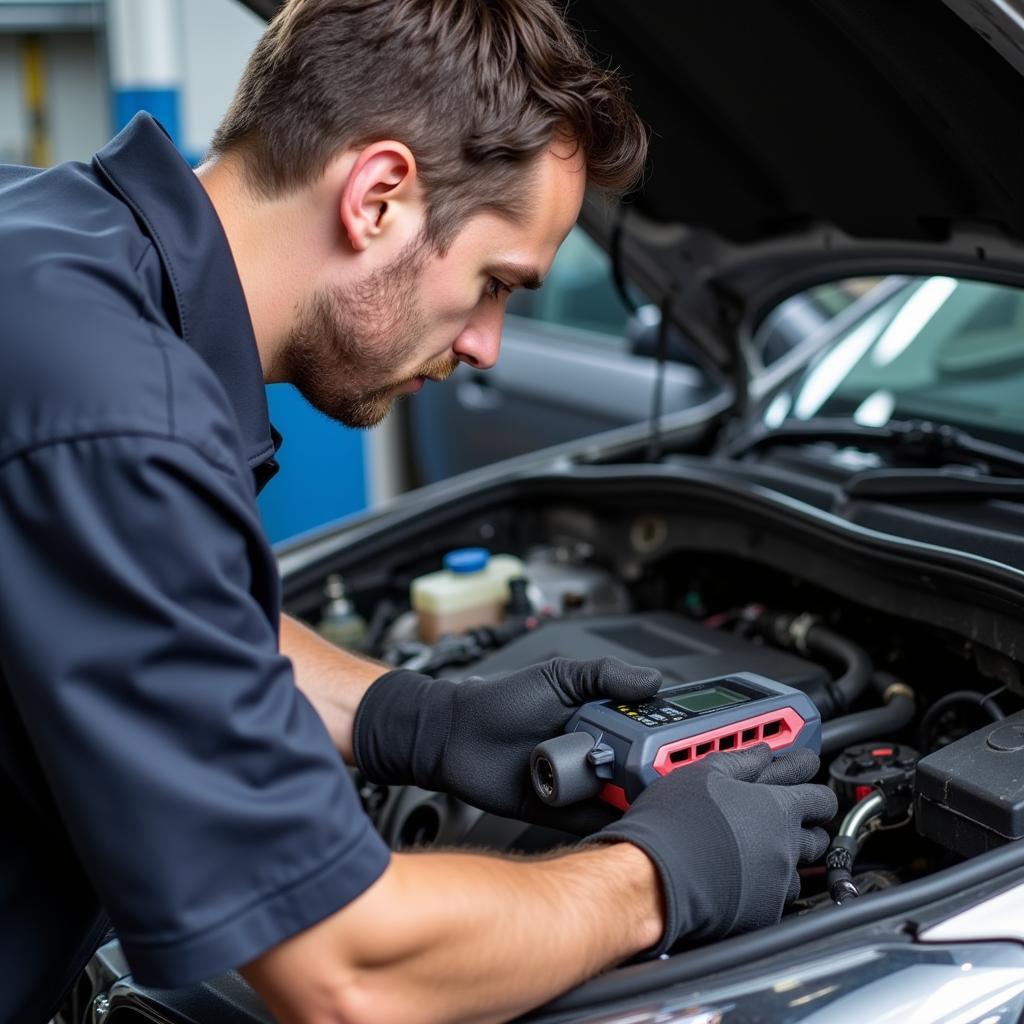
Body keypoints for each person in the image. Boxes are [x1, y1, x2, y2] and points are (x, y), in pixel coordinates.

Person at [0, 1, 838, 1022]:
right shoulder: (122, 416)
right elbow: (344, 969)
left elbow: (155, 614)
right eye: (493, 283)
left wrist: (410, 719)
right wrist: (654, 875)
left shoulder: (46, 237)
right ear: (380, 194)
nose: (486, 344)